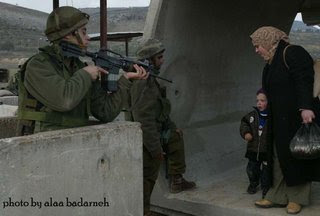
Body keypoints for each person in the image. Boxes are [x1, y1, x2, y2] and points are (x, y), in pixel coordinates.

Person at [16, 6, 148, 135]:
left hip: (75, 145)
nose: (88, 37)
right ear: (68, 35)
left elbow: (106, 112)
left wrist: (125, 80)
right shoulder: (38, 65)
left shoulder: (78, 67)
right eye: (83, 32)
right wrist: (86, 74)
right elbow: (64, 101)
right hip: (40, 145)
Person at [250, 26, 320, 214]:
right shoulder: (270, 62)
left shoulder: (292, 53)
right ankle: (277, 196)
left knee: (297, 155)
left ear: (267, 42)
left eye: (258, 46)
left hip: (297, 118)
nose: (256, 50)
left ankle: (297, 198)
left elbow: (304, 80)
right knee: (277, 156)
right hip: (278, 119)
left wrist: (306, 107)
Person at [124, 39, 196, 216]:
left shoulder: (151, 79)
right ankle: (143, 211)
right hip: (147, 139)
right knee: (146, 179)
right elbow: (144, 120)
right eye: (160, 57)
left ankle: (176, 179)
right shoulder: (143, 83)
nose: (163, 60)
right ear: (149, 60)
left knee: (175, 137)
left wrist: (171, 128)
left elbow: (161, 108)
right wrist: (155, 149)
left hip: (157, 131)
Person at [240, 88, 270, 198]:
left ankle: (266, 187)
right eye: (257, 100)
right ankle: (253, 183)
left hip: (266, 150)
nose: (259, 103)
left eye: (263, 100)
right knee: (252, 169)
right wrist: (246, 133)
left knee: (267, 171)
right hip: (253, 149)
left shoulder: (272, 117)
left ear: (269, 101)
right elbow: (244, 124)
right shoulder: (252, 115)